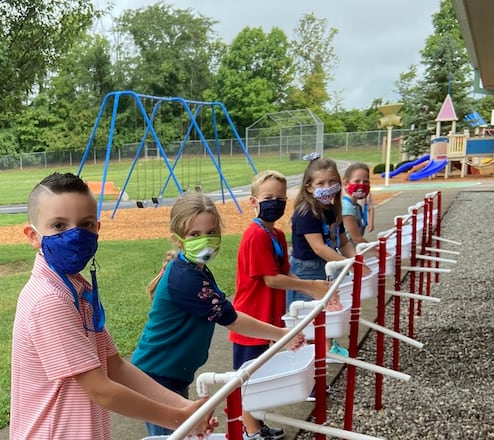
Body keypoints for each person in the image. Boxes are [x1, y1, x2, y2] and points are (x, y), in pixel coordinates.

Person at [10, 172, 217, 440]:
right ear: (33, 235)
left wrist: (184, 407)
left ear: (97, 229)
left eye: (85, 225)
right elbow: (101, 389)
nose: (74, 235)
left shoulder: (76, 289)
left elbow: (115, 366)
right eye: (59, 226)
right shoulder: (49, 301)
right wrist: (180, 419)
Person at [132, 192, 306, 437]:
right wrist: (281, 335)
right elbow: (232, 319)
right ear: (177, 239)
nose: (205, 240)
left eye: (211, 232)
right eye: (195, 234)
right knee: (172, 435)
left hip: (168, 374)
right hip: (158, 376)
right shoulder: (186, 278)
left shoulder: (195, 269)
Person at [230, 170, 331, 440]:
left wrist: (314, 289)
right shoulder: (256, 236)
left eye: (280, 197)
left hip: (267, 320)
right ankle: (249, 430)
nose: (274, 202)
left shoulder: (275, 234)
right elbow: (271, 280)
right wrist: (310, 286)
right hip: (250, 320)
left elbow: (285, 272)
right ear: (253, 201)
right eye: (268, 197)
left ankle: (256, 424)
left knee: (261, 375)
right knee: (247, 379)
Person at [286, 156, 366, 369]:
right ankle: (309, 358)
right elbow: (319, 247)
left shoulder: (332, 209)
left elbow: (342, 240)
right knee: (307, 315)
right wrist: (349, 264)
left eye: (332, 182)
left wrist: (356, 261)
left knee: (325, 307)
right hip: (306, 269)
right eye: (320, 183)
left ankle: (326, 346)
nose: (327, 187)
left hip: (324, 265)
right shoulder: (306, 212)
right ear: (309, 188)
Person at [341, 162, 372, 245]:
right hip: (346, 254)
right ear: (346, 184)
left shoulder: (356, 205)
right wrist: (379, 250)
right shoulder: (347, 207)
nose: (362, 185)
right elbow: (356, 239)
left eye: (365, 182)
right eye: (357, 181)